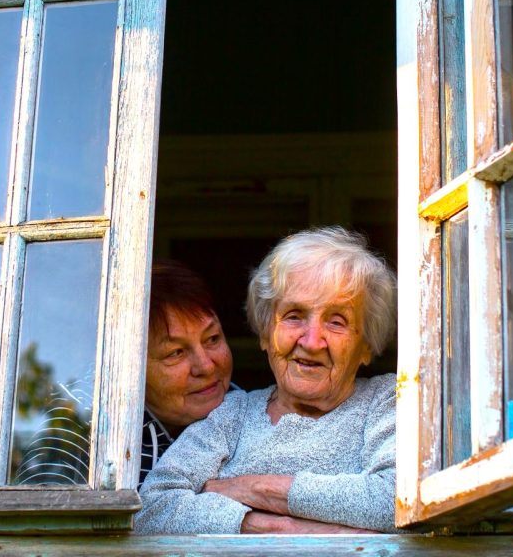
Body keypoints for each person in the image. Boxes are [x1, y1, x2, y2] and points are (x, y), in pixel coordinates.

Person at [135, 227, 396, 534]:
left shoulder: (387, 399)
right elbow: (152, 508)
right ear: (264, 334)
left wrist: (253, 488)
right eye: (294, 316)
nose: (312, 342)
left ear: (366, 345)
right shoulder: (231, 413)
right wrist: (268, 527)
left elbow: (396, 500)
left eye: (336, 321)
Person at [141, 261, 234, 483]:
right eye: (176, 353)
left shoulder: (258, 412)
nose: (206, 366)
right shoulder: (84, 433)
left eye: (212, 339)